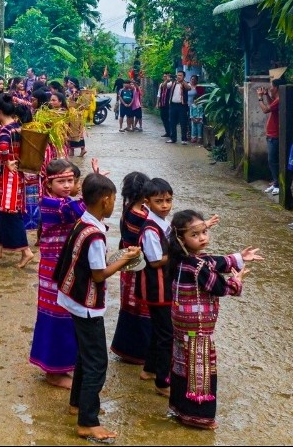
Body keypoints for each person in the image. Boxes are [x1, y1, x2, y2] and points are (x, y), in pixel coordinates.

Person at [53, 172, 140, 443]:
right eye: (113, 200)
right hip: (86, 303)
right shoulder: (94, 235)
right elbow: (99, 274)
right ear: (104, 201)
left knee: (85, 356)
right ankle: (87, 422)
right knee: (97, 363)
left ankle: (77, 403)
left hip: (73, 298)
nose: (115, 204)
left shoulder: (85, 222)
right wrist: (125, 260)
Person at [167, 210, 262, 430]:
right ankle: (198, 417)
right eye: (195, 234)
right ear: (182, 239)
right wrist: (236, 280)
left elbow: (215, 261)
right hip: (197, 327)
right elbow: (220, 287)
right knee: (200, 367)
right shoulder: (199, 266)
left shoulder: (182, 259)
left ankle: (180, 409)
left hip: (181, 324)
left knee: (183, 363)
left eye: (204, 232)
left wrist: (238, 257)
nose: (202, 238)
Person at [30, 158, 82, 388]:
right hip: (53, 270)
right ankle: (54, 372)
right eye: (61, 181)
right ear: (49, 184)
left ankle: (60, 367)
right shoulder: (52, 203)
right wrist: (91, 192)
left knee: (65, 315)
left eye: (71, 180)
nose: (67, 185)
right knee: (56, 317)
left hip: (62, 267)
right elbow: (75, 211)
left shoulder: (62, 200)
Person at [0, 94, 34, 269]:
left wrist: (4, 160)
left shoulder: (5, 130)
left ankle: (26, 251)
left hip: (8, 176)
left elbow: (3, 147)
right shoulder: (18, 126)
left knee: (9, 213)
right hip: (15, 174)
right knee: (1, 212)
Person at [135, 177, 175, 397]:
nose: (165, 205)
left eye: (168, 200)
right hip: (157, 288)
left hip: (161, 286)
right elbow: (155, 260)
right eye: (159, 201)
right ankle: (163, 381)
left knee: (159, 330)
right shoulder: (151, 228)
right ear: (147, 202)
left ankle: (149, 369)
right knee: (167, 334)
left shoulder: (162, 222)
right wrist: (178, 254)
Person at [109, 172, 152, 366]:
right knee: (142, 307)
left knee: (129, 306)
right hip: (139, 267)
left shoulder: (128, 209)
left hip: (127, 265)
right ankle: (141, 353)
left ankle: (125, 349)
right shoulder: (142, 216)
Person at [257, 79, 281, 195]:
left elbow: (266, 109)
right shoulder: (276, 100)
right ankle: (276, 182)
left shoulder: (279, 100)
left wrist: (260, 98)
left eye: (271, 86)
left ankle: (277, 184)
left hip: (275, 135)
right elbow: (271, 105)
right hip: (272, 135)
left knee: (273, 161)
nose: (270, 88)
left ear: (276, 88)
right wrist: (266, 95)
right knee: (272, 161)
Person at [165, 69, 192, 145]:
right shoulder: (173, 83)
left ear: (184, 77)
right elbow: (165, 86)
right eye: (178, 75)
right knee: (172, 122)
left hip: (182, 106)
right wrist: (167, 80)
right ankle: (173, 138)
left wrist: (182, 81)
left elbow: (188, 88)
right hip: (173, 105)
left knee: (183, 122)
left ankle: (184, 139)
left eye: (180, 75)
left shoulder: (186, 83)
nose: (178, 76)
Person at [189, 75, 204, 144]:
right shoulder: (187, 86)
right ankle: (192, 136)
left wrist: (199, 118)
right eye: (192, 79)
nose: (193, 80)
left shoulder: (199, 88)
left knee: (199, 127)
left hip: (198, 108)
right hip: (188, 105)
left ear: (197, 80)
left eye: (194, 79)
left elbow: (202, 96)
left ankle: (199, 138)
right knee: (191, 125)